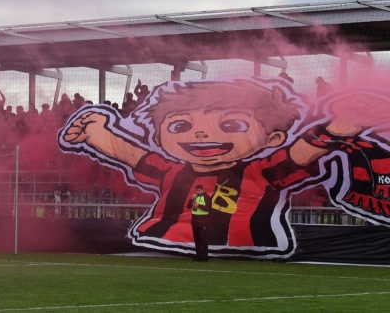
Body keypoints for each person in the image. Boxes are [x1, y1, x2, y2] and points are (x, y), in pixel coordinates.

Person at [59, 78, 390, 258]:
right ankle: (200, 252)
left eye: (231, 124)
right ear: (159, 136)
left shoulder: (260, 169)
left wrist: (339, 128)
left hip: (244, 240)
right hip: (166, 238)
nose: (201, 135)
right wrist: (97, 133)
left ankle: (203, 252)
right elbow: (131, 154)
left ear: (273, 137)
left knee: (204, 226)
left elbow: (300, 153)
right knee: (199, 225)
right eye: (180, 126)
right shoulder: (172, 170)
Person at [187, 184, 211, 262]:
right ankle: (198, 256)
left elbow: (208, 208)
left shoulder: (207, 197)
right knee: (197, 240)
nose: (197, 192)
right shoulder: (195, 197)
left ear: (203, 190)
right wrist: (191, 199)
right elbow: (188, 206)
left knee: (203, 239)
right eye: (196, 190)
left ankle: (205, 257)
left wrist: (199, 205)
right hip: (195, 221)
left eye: (199, 190)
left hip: (203, 221)